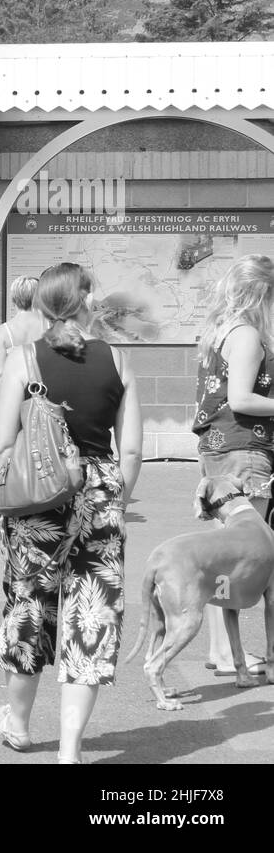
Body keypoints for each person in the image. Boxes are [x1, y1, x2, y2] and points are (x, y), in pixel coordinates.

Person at [0, 263, 142, 765]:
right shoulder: (116, 359)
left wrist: (8, 504)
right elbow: (132, 451)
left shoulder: (22, 359)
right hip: (99, 496)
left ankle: (20, 725)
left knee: (29, 607)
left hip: (38, 499)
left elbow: (1, 445)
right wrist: (115, 499)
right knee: (91, 613)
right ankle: (71, 750)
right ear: (84, 300)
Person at [192, 253, 274, 677]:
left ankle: (221, 651)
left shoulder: (221, 331)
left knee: (221, 555)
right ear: (262, 294)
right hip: (244, 450)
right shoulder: (248, 336)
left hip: (220, 451)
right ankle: (229, 655)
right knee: (245, 555)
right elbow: (242, 399)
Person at [0, 276, 46, 407]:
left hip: (14, 395)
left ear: (13, 298)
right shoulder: (48, 326)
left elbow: (0, 373)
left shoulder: (4, 331)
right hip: (42, 392)